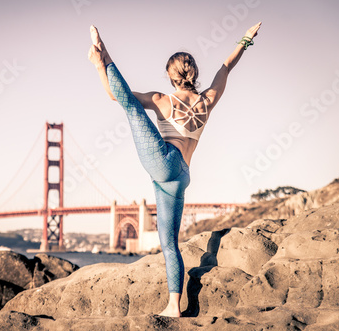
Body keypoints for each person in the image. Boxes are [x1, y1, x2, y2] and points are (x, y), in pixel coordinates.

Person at [88, 22, 261, 318]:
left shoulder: (161, 100)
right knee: (169, 244)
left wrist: (100, 64)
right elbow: (226, 67)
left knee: (132, 109)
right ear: (193, 72)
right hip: (180, 177)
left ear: (170, 75)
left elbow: (120, 97)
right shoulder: (208, 100)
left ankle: (105, 52)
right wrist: (246, 39)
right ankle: (173, 306)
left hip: (166, 159)